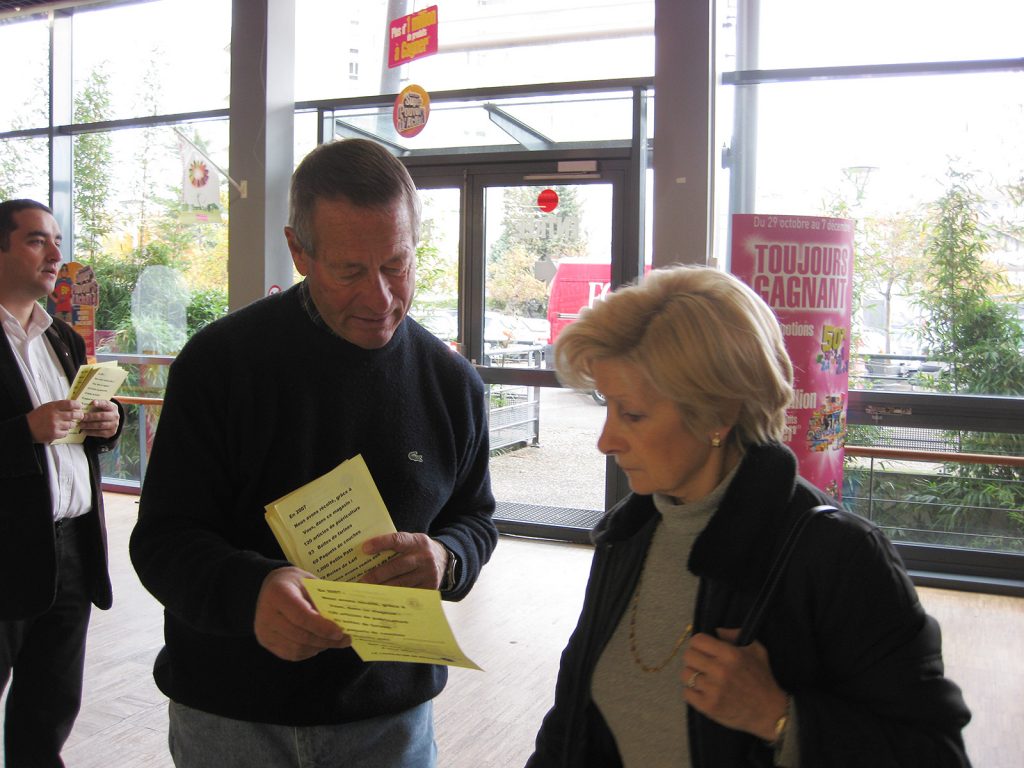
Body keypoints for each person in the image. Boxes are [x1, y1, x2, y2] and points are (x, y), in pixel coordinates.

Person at [129, 138, 497, 768]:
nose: (380, 298)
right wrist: (253, 591)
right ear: (298, 251)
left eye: (397, 265)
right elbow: (161, 540)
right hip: (231, 717)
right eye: (350, 271)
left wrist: (447, 557)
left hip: (390, 722)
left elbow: (477, 519)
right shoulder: (220, 366)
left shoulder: (452, 385)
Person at [527, 265, 971, 767]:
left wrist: (780, 718)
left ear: (717, 414)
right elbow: (571, 723)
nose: (605, 440)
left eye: (632, 414)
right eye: (607, 406)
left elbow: (938, 755)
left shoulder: (837, 558)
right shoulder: (631, 534)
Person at [0, 198, 123, 768]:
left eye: (56, 240)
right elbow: (36, 430)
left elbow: (74, 433)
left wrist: (106, 423)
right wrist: (25, 429)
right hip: (5, 549)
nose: (56, 255)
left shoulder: (64, 340)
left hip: (72, 545)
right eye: (35, 241)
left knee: (49, 706)